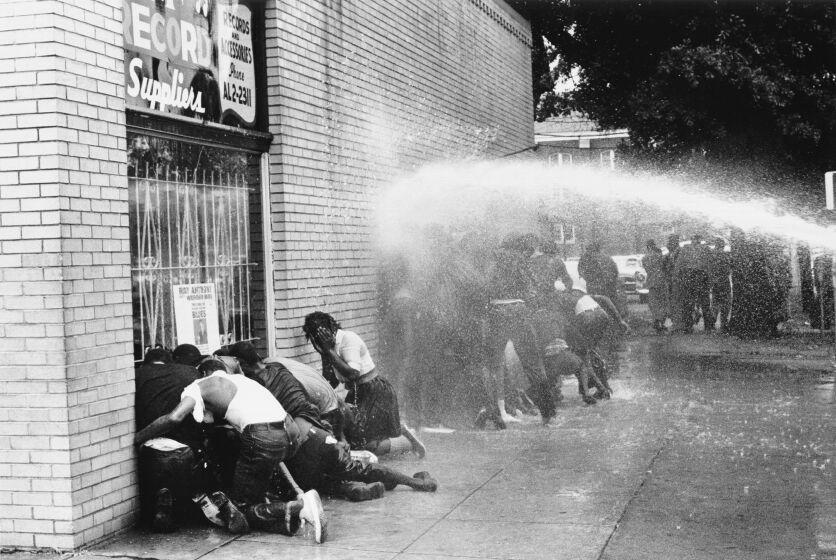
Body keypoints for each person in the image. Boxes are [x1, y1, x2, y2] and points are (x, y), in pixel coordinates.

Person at [225, 341, 438, 502]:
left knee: (300, 480)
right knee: (355, 469)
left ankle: (353, 487)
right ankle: (410, 482)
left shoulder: (253, 384)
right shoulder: (277, 367)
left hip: (304, 439)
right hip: (321, 434)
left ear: (241, 364)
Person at [135, 358, 317, 537]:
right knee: (256, 486)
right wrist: (296, 488)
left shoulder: (198, 385)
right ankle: (285, 517)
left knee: (241, 509)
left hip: (264, 435)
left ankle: (298, 508)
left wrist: (139, 437)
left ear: (204, 372)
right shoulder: (242, 380)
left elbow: (174, 418)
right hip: (291, 432)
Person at [302, 311, 426, 457]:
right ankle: (398, 431)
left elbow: (353, 373)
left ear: (329, 330)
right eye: (314, 341)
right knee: (351, 440)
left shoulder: (348, 339)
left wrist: (329, 351)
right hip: (357, 392)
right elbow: (333, 382)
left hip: (375, 391)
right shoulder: (329, 348)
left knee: (367, 445)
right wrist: (325, 354)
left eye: (318, 337)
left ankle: (406, 441)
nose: (317, 343)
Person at [476, 233, 556, 429]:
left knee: (492, 365)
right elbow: (533, 289)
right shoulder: (521, 261)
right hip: (519, 310)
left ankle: (496, 414)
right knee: (534, 364)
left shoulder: (493, 258)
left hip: (498, 310)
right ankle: (547, 414)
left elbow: (484, 286)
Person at [135, 347, 203, 532]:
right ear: (171, 361)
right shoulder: (189, 373)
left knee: (150, 493)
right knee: (186, 498)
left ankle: (161, 505)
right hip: (183, 449)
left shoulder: (137, 375)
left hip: (150, 449)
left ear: (146, 363)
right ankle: (180, 505)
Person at [553, 284, 629, 404]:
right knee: (591, 352)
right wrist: (620, 320)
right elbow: (606, 299)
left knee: (582, 354)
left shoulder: (561, 299)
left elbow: (564, 324)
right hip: (602, 315)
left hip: (586, 319)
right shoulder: (583, 295)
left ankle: (596, 389)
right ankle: (601, 384)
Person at [641, 240, 668, 333]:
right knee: (663, 302)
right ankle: (660, 320)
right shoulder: (660, 256)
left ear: (647, 247)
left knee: (653, 303)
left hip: (651, 282)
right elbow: (664, 267)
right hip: (661, 281)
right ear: (654, 246)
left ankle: (656, 319)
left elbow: (647, 269)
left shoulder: (644, 258)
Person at [709, 237, 732, 332]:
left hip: (716, 282)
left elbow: (710, 269)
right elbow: (728, 269)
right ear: (721, 245)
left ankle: (712, 322)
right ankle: (723, 323)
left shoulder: (712, 255)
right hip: (724, 281)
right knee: (725, 303)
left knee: (715, 303)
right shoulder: (725, 255)